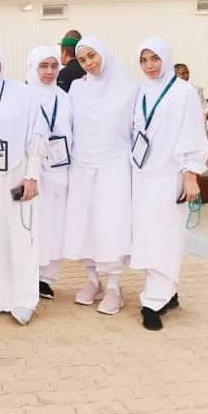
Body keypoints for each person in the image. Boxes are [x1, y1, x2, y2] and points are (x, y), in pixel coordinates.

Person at [132, 38, 208, 330]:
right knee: (148, 235)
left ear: (166, 58)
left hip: (171, 176)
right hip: (142, 176)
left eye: (155, 59)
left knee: (166, 235)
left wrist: (191, 175)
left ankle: (153, 302)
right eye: (144, 60)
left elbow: (194, 136)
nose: (150, 65)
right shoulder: (141, 91)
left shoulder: (183, 92)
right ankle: (168, 292)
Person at [0, 43, 46, 325]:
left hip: (15, 176)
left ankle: (24, 299)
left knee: (21, 236)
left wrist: (32, 175)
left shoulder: (23, 94)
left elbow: (37, 133)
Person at [62, 36, 138, 316]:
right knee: (86, 224)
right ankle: (93, 280)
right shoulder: (77, 90)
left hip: (114, 167)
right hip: (82, 166)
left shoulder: (128, 88)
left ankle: (114, 287)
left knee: (111, 225)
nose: (89, 63)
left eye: (92, 56)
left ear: (103, 53)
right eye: (82, 60)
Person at [25, 45, 74, 300]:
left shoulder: (64, 98)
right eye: (43, 66)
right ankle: (28, 274)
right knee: (32, 224)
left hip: (59, 169)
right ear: (32, 67)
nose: (49, 71)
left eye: (54, 66)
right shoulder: (22, 96)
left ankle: (46, 278)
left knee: (55, 225)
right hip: (32, 172)